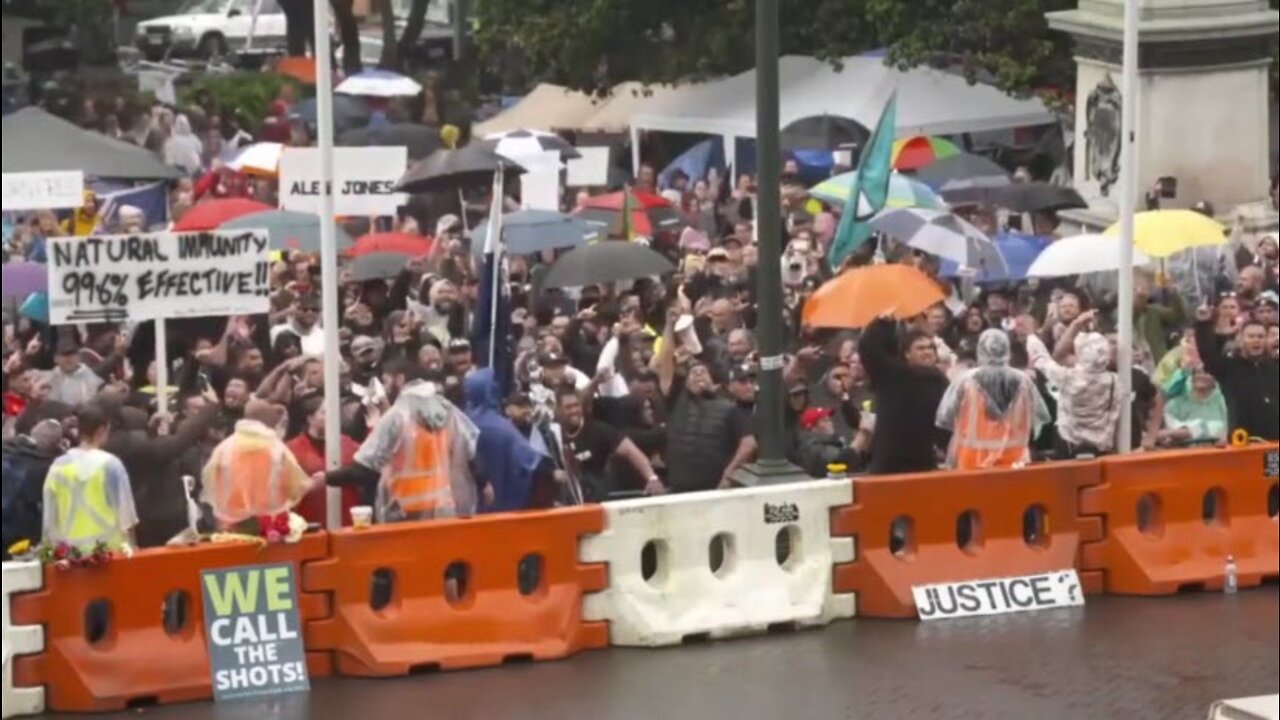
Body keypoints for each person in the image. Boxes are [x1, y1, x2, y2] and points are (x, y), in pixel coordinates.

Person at [327, 372, 480, 523]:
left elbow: (364, 469)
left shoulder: (397, 416)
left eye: (385, 382)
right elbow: (471, 451)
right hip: (443, 508)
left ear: (399, 380)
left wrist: (326, 478)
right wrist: (483, 482)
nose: (383, 390)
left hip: (403, 512)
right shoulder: (449, 412)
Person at [936, 330, 1049, 470]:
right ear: (1007, 349)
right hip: (1015, 461)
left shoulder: (964, 380)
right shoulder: (1024, 381)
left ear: (980, 349)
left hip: (972, 461)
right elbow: (1039, 419)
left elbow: (945, 419)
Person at [200, 399, 314, 530]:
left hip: (230, 525)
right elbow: (297, 486)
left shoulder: (224, 448)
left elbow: (208, 482)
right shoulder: (277, 449)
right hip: (271, 524)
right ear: (266, 420)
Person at [857, 317, 950, 474]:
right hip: (890, 466)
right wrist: (886, 319)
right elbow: (869, 348)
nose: (927, 352)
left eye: (930, 348)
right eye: (920, 348)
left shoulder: (939, 380)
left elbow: (947, 421)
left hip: (925, 463)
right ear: (907, 353)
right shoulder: (894, 376)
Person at [42, 403, 138, 552]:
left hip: (71, 555)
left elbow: (50, 518)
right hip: (110, 552)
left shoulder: (58, 467)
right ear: (101, 430)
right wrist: (132, 548)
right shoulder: (111, 465)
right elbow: (127, 516)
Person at [1030, 311, 1122, 457]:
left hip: (1069, 444)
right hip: (1101, 446)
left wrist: (1075, 324)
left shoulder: (1067, 377)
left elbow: (1042, 357)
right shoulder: (1114, 381)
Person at [555, 387, 663, 500]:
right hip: (565, 500)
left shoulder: (598, 429)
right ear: (558, 410)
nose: (574, 410)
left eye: (576, 405)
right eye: (568, 407)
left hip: (596, 496)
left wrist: (652, 478)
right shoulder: (552, 434)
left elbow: (631, 451)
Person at [1194, 303, 1278, 440]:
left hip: (1275, 443)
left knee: (1271, 463)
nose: (1256, 340)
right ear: (1240, 340)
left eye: (1261, 336)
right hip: (1242, 441)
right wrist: (1203, 324)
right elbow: (1207, 354)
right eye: (1251, 336)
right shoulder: (1229, 367)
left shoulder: (1274, 366)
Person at [464, 369, 540, 511]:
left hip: (469, 510)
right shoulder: (502, 428)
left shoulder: (461, 421)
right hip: (503, 510)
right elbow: (528, 463)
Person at [286, 394, 362, 526]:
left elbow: (368, 465)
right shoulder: (292, 449)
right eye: (324, 413)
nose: (331, 416)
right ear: (310, 418)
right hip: (309, 522)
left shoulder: (348, 444)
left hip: (346, 521)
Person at [1160, 361, 1229, 447]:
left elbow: (1220, 429)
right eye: (1198, 373)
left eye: (1206, 373)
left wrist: (1181, 432)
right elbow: (1170, 429)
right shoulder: (1174, 405)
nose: (1201, 376)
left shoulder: (1224, 402)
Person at [48, 336, 103, 406]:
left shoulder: (88, 375)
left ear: (79, 357)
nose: (69, 359)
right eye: (64, 355)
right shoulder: (51, 377)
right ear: (56, 358)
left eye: (72, 354)